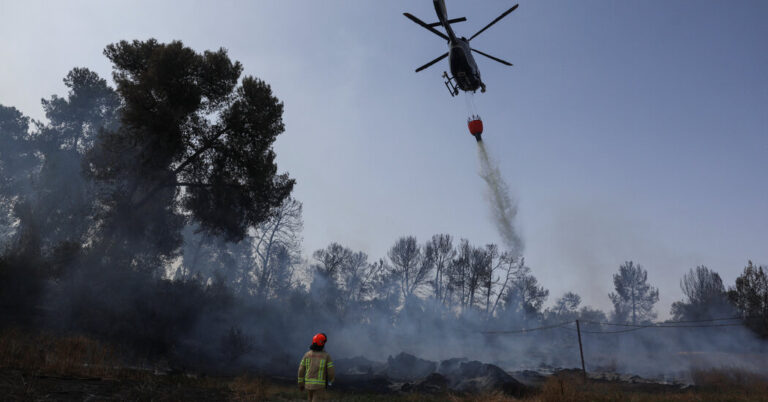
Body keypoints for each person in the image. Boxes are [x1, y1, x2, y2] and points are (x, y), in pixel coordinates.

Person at [298, 332, 335, 402]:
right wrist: (330, 381)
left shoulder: (307, 355)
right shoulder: (326, 356)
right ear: (322, 343)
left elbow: (301, 370)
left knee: (310, 399)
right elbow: (331, 372)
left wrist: (300, 384)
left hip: (308, 385)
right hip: (319, 386)